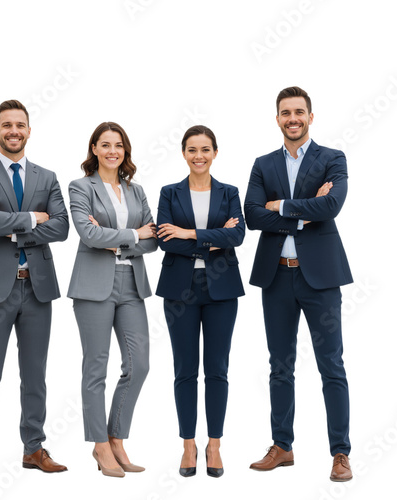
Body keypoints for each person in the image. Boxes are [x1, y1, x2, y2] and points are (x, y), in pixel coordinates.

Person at [244, 86, 353, 481]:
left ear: (311, 116)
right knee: (280, 366)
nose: (293, 118)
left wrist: (283, 206)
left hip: (321, 278)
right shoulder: (263, 164)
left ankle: (340, 453)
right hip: (277, 276)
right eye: (286, 112)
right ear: (277, 118)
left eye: (299, 112)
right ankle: (282, 446)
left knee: (331, 366)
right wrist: (307, 212)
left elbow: (333, 205)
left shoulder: (332, 159)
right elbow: (253, 216)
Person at [0, 100, 69, 482]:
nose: (13, 131)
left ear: (29, 130)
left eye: (20, 125)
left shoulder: (47, 176)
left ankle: (34, 448)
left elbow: (61, 228)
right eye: (6, 125)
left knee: (35, 374)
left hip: (37, 289)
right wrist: (31, 217)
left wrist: (6, 222)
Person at [67, 122, 157, 478]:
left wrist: (114, 237)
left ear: (125, 151)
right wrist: (134, 234)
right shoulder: (80, 187)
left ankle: (117, 437)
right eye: (104, 145)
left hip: (131, 283)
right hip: (93, 285)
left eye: (118, 145)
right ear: (93, 149)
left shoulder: (137, 192)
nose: (112, 151)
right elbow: (87, 234)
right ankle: (99, 444)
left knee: (139, 365)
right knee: (96, 367)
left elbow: (155, 240)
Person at [156, 125, 245, 478]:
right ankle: (188, 444)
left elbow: (237, 235)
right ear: (183, 153)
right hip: (180, 289)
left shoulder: (229, 192)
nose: (199, 156)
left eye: (205, 149)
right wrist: (213, 237)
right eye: (192, 149)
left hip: (221, 289)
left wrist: (190, 234)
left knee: (217, 370)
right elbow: (165, 239)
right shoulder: (169, 192)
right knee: (185, 369)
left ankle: (215, 444)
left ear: (215, 153)